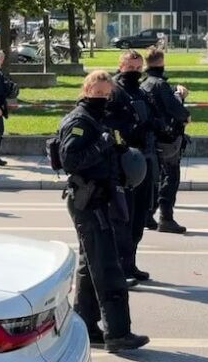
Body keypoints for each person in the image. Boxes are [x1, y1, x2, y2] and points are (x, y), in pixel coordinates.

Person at [58, 70, 149, 353]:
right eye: (97, 93)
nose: (102, 98)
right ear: (86, 89)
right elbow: (70, 159)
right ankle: (118, 333)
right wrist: (103, 144)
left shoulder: (96, 119)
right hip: (89, 201)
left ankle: (86, 326)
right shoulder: (80, 121)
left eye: (106, 94)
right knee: (109, 267)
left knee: (90, 266)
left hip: (99, 200)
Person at [105, 50, 164, 285]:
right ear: (120, 66)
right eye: (130, 68)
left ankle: (130, 264)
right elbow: (109, 123)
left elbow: (152, 117)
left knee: (141, 215)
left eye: (138, 68)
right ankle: (120, 269)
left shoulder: (140, 91)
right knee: (124, 219)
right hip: (124, 164)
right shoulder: (113, 91)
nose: (134, 72)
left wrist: (158, 126)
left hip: (145, 160)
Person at [141, 47, 191, 234]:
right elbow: (175, 110)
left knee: (156, 177)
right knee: (170, 178)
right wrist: (182, 101)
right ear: (162, 62)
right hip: (167, 139)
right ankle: (166, 218)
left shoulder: (143, 84)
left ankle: (148, 214)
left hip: (151, 137)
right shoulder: (160, 85)